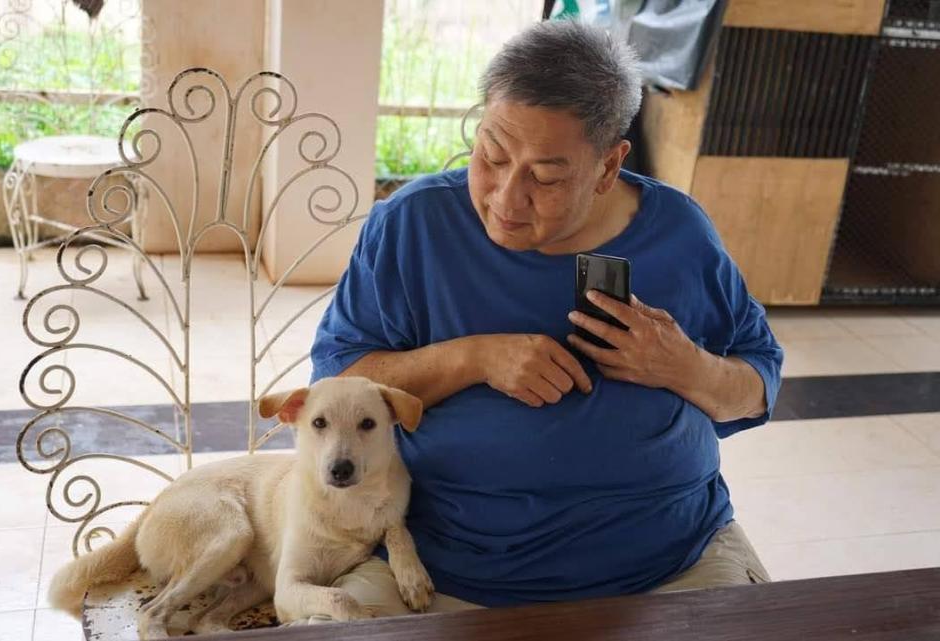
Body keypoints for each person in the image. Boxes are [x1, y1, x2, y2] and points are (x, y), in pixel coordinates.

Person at [308, 18, 783, 617]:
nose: (505, 198)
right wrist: (474, 358)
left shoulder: (680, 234)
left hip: (673, 562)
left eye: (547, 176)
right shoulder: (413, 225)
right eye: (492, 154)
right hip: (440, 566)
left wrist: (685, 367)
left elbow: (757, 387)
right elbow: (337, 388)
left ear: (609, 167)